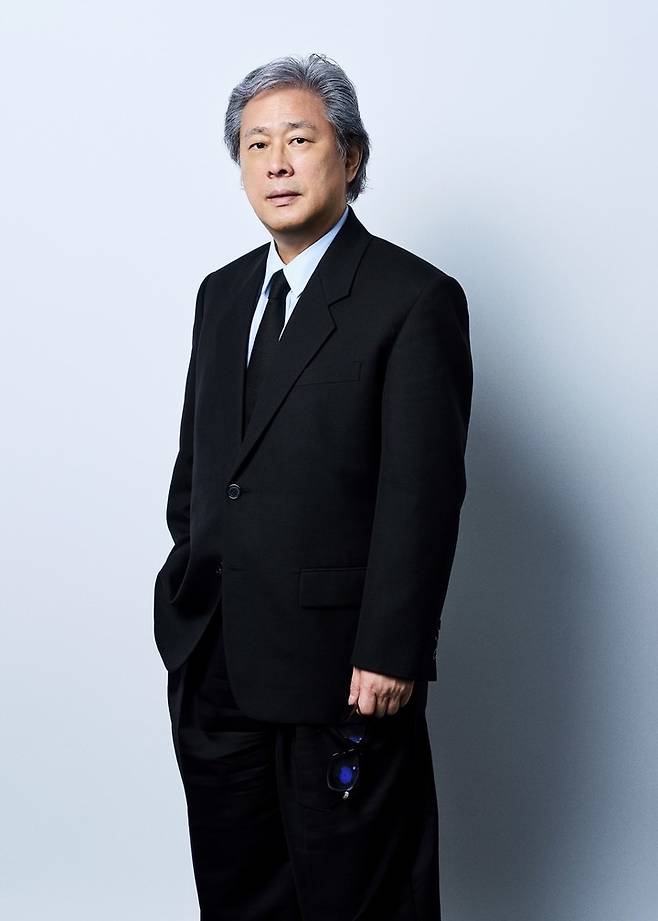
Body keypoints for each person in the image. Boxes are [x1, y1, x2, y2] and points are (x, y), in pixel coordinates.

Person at [153, 52, 473, 920]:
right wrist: (184, 591)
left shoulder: (413, 298)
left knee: (359, 900)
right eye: (256, 145)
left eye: (299, 139)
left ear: (351, 156)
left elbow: (423, 493)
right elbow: (201, 469)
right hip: (216, 658)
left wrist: (393, 648)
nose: (277, 164)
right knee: (239, 896)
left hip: (343, 672)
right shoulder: (222, 295)